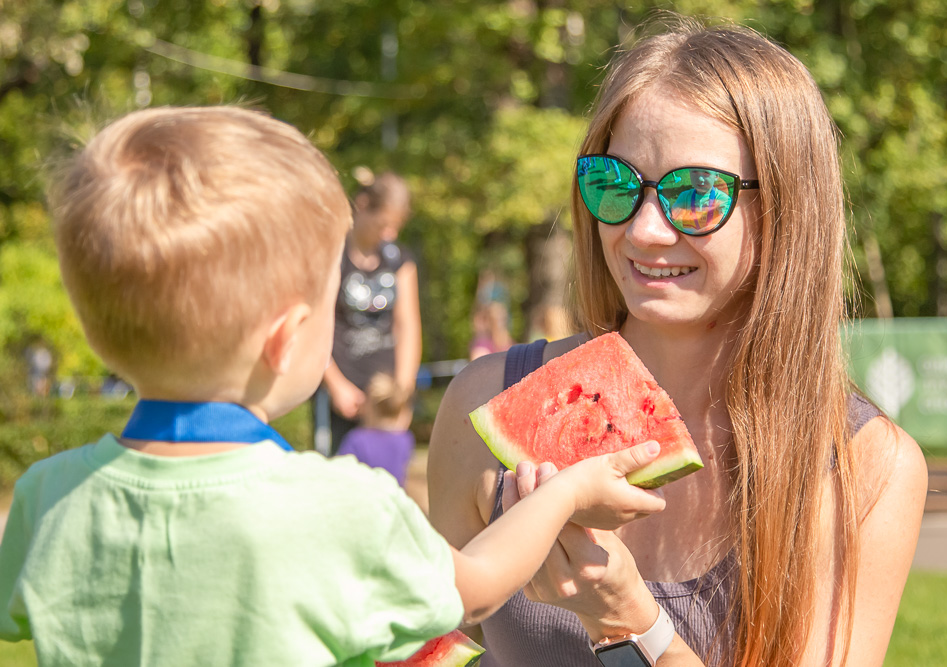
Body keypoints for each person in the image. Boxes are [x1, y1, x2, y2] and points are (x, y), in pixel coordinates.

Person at [0, 106, 668, 667]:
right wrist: (570, 490)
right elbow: (483, 588)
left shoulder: (45, 498)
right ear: (287, 337)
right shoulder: (341, 506)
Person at [427, 18, 927, 667]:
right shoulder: (482, 402)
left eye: (695, 194)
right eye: (616, 182)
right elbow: (432, 645)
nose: (645, 229)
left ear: (784, 206)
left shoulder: (866, 467)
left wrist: (633, 624)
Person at [312, 171, 422, 457]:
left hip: (386, 399)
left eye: (396, 227)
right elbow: (314, 325)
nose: (390, 235)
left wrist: (404, 390)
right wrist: (336, 385)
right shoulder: (332, 256)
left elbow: (407, 326)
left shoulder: (399, 259)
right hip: (344, 398)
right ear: (362, 206)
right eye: (384, 224)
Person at [339, 371, 416, 487]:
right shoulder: (405, 439)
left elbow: (341, 470)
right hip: (394, 498)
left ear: (369, 408)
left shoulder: (357, 439)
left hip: (365, 498)